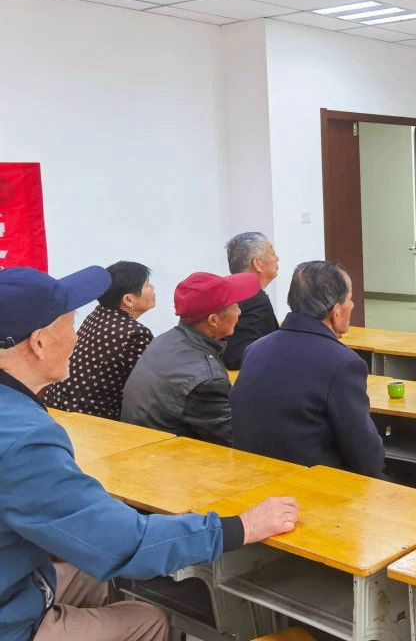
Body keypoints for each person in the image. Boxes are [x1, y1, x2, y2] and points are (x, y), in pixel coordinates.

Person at [0, 266, 299, 641]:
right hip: (10, 619)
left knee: (90, 570)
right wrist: (241, 526)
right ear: (39, 342)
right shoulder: (25, 440)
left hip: (16, 582)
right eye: (71, 325)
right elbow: (127, 540)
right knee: (147, 617)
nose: (76, 338)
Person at [231, 261, 384, 477]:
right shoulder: (343, 363)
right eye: (350, 298)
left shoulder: (255, 349)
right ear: (337, 311)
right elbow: (367, 459)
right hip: (313, 487)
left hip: (254, 477)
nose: (353, 305)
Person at [122, 271, 259, 445]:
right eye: (234, 306)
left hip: (142, 445)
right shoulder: (207, 377)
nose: (239, 311)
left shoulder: (164, 340)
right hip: (168, 462)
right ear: (213, 320)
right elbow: (234, 437)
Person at [42, 261, 155, 419]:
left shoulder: (98, 313)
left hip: (57, 406)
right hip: (92, 419)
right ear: (129, 299)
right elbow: (146, 388)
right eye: (147, 285)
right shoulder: (136, 334)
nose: (153, 288)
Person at [222, 232, 280, 370]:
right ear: (257, 264)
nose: (277, 258)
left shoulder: (226, 291)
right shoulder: (254, 299)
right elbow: (240, 355)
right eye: (272, 253)